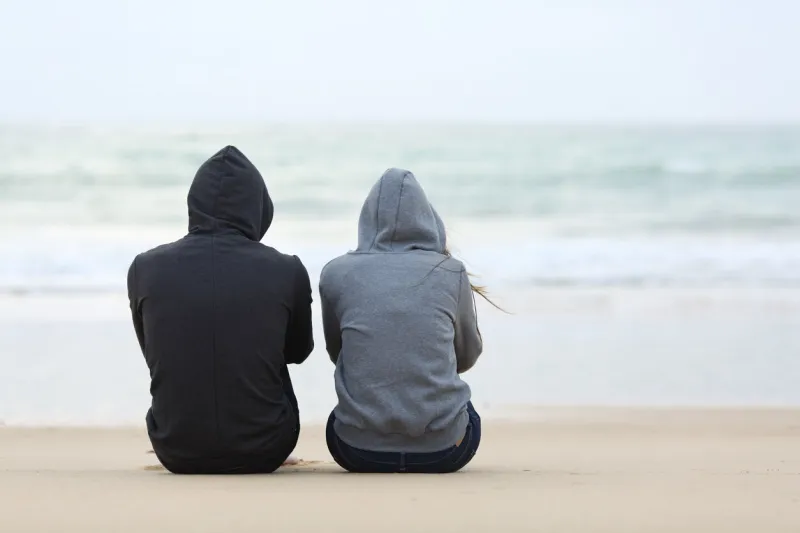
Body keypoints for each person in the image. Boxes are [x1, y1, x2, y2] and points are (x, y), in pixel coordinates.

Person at [126, 146, 314, 474]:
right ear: (259, 207)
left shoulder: (145, 268)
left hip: (174, 447)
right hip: (266, 448)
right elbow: (298, 351)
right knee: (264, 349)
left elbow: (153, 352)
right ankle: (253, 423)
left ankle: (195, 430)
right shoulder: (287, 269)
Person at [319, 168, 485, 473]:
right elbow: (467, 356)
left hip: (357, 451)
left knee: (341, 417)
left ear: (366, 220)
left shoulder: (336, 272)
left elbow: (340, 354)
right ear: (428, 218)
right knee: (466, 411)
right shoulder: (451, 271)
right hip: (446, 451)